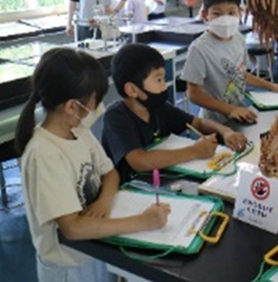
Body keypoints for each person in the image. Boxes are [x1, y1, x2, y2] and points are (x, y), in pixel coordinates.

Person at [14, 48, 170, 282]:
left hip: (96, 248)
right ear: (72, 107)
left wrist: (104, 202)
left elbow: (110, 174)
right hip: (68, 266)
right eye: (95, 101)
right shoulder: (43, 154)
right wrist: (142, 222)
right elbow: (72, 229)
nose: (99, 108)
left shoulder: (78, 131)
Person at [101, 43, 248, 184]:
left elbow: (197, 122)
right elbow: (139, 161)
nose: (164, 86)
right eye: (158, 80)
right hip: (132, 189)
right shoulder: (116, 116)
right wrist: (194, 151)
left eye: (163, 79)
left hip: (162, 180)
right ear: (132, 90)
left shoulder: (158, 107)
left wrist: (225, 131)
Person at [181, 0, 278, 124]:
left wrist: (271, 86)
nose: (225, 19)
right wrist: (230, 109)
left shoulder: (238, 38)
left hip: (240, 114)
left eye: (231, 13)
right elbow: (194, 94)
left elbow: (241, 74)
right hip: (215, 122)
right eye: (217, 13)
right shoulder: (199, 48)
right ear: (206, 15)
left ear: (240, 12)